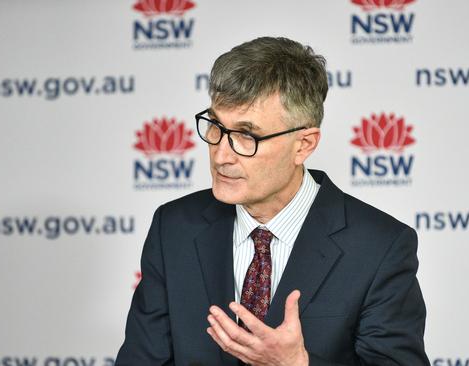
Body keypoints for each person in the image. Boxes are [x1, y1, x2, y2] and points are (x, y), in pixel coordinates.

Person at [115, 36, 429, 366]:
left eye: (246, 136)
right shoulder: (174, 228)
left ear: (304, 145)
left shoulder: (380, 246)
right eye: (216, 127)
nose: (221, 155)